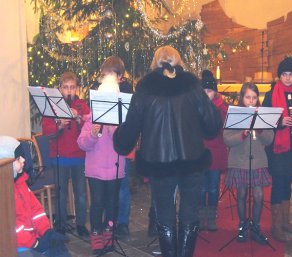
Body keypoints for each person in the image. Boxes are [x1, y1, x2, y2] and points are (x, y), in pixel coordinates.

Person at [113, 45, 221, 257]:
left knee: (164, 214)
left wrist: (120, 139)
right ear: (178, 61)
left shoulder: (145, 87)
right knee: (190, 213)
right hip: (192, 160)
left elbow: (132, 124)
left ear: (155, 62)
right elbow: (211, 124)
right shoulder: (192, 85)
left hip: (159, 161)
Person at [77, 73, 126, 254]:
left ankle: (109, 232)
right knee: (97, 203)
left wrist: (114, 131)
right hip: (96, 171)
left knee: (112, 203)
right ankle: (96, 234)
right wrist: (93, 134)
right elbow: (82, 144)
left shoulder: (122, 120)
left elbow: (125, 144)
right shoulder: (91, 119)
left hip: (115, 169)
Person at [262, 55, 292, 242]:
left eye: (291, 74)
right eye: (284, 74)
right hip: (278, 148)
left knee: (288, 185)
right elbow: (264, 120)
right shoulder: (271, 94)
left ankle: (286, 221)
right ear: (279, 76)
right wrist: (280, 122)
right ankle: (276, 226)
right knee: (278, 184)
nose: (288, 77)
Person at [0, 136, 70, 256]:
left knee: (60, 251)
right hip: (18, 245)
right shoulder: (4, 192)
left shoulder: (21, 182)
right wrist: (35, 244)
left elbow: (36, 210)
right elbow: (11, 230)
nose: (23, 160)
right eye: (18, 158)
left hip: (33, 238)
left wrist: (47, 231)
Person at [223, 83, 274, 244]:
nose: (251, 101)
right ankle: (242, 226)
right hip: (239, 161)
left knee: (259, 195)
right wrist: (242, 134)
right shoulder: (235, 114)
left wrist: (260, 131)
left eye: (253, 97)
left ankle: (256, 227)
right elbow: (227, 139)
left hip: (258, 161)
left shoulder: (262, 114)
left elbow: (270, 138)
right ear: (242, 98)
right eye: (247, 97)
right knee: (242, 194)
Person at [42, 71, 90, 237]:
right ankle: (61, 225)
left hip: (78, 155)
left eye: (72, 87)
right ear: (60, 88)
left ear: (76, 89)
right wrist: (59, 126)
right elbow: (47, 132)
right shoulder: (52, 106)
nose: (69, 91)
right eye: (65, 87)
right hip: (59, 155)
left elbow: (90, 128)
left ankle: (81, 225)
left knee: (81, 193)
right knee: (61, 193)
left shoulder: (82, 105)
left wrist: (79, 120)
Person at [100, 55, 134, 239]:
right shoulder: (99, 90)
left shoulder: (126, 90)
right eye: (105, 75)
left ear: (120, 76)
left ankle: (122, 222)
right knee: (105, 185)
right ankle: (108, 220)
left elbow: (131, 118)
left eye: (111, 75)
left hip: (121, 144)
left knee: (122, 186)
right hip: (104, 147)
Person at [199, 69, 228, 232]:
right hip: (201, 153)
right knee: (202, 188)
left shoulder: (222, 108)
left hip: (216, 153)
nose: (206, 94)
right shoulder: (196, 107)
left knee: (213, 187)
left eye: (209, 91)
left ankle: (211, 218)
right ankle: (201, 216)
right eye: (203, 91)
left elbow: (224, 130)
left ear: (215, 93)